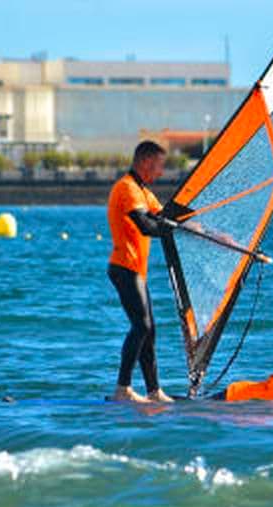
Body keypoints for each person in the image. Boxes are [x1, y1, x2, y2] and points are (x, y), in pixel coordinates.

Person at [107, 141, 175, 404]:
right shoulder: (127, 188)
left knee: (149, 330)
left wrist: (201, 228)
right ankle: (122, 389)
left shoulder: (144, 191)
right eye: (159, 166)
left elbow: (166, 216)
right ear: (145, 162)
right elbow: (146, 225)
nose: (161, 172)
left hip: (136, 270)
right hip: (124, 268)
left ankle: (153, 391)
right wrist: (174, 230)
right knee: (141, 326)